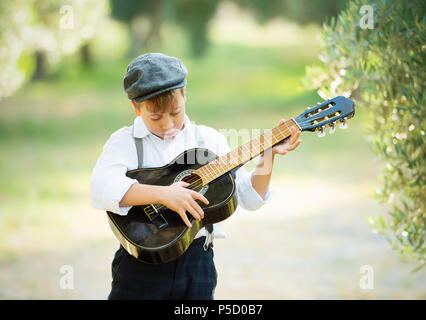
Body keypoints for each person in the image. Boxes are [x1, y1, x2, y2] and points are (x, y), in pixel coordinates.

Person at [90, 52, 302, 300]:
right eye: (155, 117)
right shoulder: (125, 141)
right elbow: (101, 186)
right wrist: (165, 194)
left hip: (197, 263)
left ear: (185, 96)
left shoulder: (209, 140)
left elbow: (249, 196)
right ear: (136, 108)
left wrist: (267, 156)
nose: (168, 124)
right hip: (141, 266)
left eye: (176, 112)